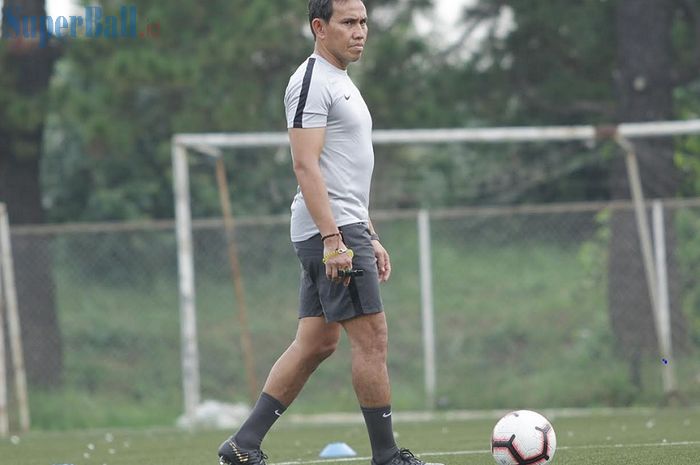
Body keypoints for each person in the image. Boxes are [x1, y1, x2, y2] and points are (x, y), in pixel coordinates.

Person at [217, 2, 441, 465]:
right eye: (348, 22)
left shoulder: (342, 81)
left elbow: (345, 171)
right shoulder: (310, 81)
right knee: (372, 338)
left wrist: (369, 232)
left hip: (345, 225)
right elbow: (305, 164)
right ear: (319, 27)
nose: (360, 32)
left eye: (363, 22)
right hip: (330, 231)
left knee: (318, 342)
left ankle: (243, 444)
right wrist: (335, 240)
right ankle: (386, 456)